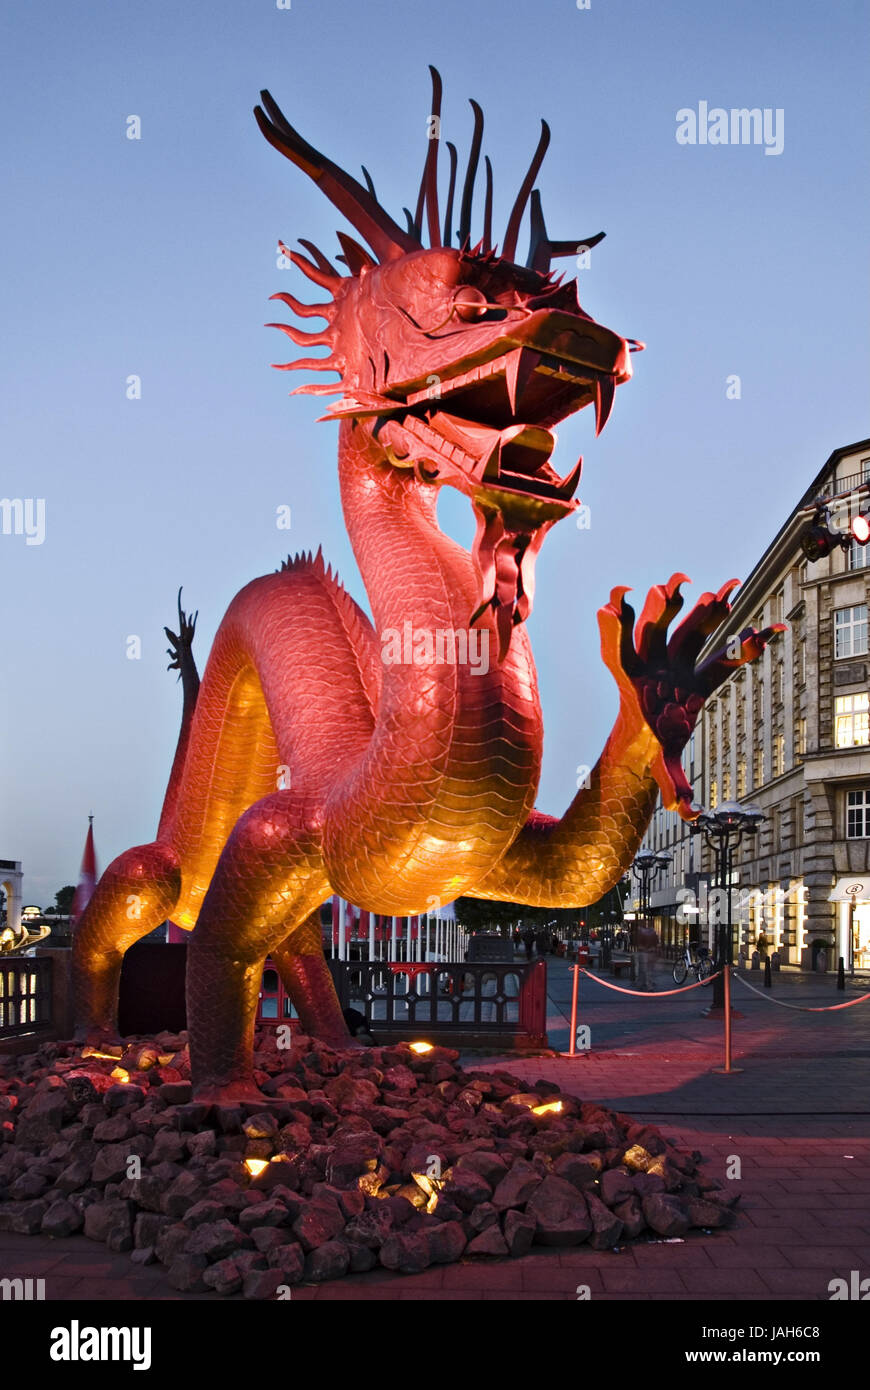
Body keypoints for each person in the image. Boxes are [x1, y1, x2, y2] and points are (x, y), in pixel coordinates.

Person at [635, 922, 659, 991]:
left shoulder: (640, 932)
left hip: (643, 953)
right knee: (649, 970)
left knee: (643, 970)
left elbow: (638, 944)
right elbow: (656, 943)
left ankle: (643, 984)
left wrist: (643, 948)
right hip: (651, 953)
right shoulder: (653, 932)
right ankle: (648, 985)